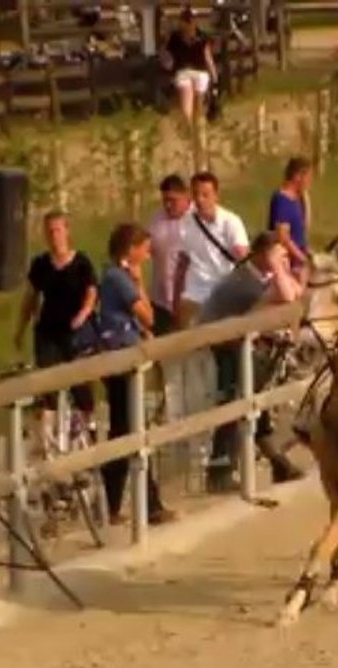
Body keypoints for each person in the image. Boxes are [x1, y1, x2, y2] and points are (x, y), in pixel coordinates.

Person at [198, 231, 306, 490]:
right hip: (225, 346)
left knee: (255, 405)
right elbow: (288, 296)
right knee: (236, 404)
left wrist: (281, 267)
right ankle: (220, 471)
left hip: (240, 344)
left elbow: (296, 292)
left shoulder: (255, 276)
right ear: (263, 255)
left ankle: (278, 461)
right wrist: (279, 266)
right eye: (278, 255)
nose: (283, 260)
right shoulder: (246, 283)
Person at [96, 223, 180, 525]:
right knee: (132, 431)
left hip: (119, 357)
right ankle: (150, 505)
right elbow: (148, 315)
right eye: (144, 249)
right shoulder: (120, 279)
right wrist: (140, 282)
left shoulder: (110, 275)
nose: (146, 256)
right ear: (130, 249)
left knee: (122, 431)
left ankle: (112, 505)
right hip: (122, 360)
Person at [14, 211, 99, 433]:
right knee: (47, 382)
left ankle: (87, 423)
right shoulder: (41, 264)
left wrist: (83, 314)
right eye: (49, 231)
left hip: (75, 330)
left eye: (58, 230)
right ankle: (47, 435)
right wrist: (20, 329)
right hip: (48, 330)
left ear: (66, 231)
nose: (54, 236)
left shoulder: (81, 262)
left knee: (80, 382)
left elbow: (91, 292)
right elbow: (30, 298)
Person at [173, 171, 249, 328]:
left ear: (216, 195)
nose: (200, 200)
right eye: (196, 194)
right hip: (195, 292)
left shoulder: (231, 222)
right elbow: (182, 263)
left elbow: (243, 257)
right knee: (189, 339)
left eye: (205, 194)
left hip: (224, 290)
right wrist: (176, 299)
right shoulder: (186, 222)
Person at [147, 174, 190, 336]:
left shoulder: (196, 220)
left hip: (188, 300)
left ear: (186, 197)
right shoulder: (156, 218)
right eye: (165, 200)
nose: (168, 205)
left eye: (173, 200)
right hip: (160, 300)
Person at [161, 7, 217, 124]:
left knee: (190, 104)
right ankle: (197, 129)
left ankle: (191, 127)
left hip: (186, 72)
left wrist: (168, 68)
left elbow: (166, 55)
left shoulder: (176, 37)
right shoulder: (201, 36)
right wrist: (214, 75)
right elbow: (208, 58)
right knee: (197, 103)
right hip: (196, 72)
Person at [267, 157, 312, 269]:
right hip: (288, 264)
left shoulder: (296, 199)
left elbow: (305, 227)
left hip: (298, 261)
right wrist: (302, 259)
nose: (309, 181)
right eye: (308, 177)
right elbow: (283, 237)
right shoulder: (282, 200)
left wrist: (305, 197)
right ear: (297, 176)